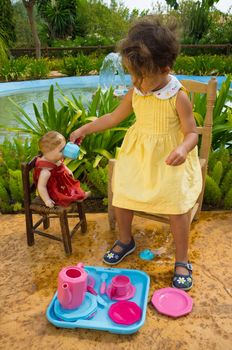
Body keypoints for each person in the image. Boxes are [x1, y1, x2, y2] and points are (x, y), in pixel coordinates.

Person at [70, 16, 202, 291]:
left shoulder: (179, 96)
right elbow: (113, 116)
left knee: (177, 208)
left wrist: (182, 147)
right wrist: (86, 128)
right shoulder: (137, 89)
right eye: (133, 75)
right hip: (139, 155)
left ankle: (181, 259)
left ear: (165, 67)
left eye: (142, 76)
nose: (137, 81)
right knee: (123, 193)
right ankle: (126, 239)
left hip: (170, 160)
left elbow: (192, 132)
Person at [33, 131, 90, 208]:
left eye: (64, 148)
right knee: (64, 196)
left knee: (73, 188)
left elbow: (61, 165)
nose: (64, 152)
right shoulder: (45, 171)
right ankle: (76, 197)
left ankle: (79, 195)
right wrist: (47, 200)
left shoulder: (53, 159)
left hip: (61, 185)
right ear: (48, 153)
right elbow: (41, 187)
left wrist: (67, 170)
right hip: (53, 191)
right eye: (61, 151)